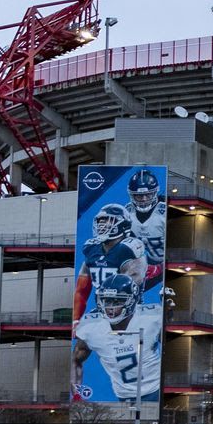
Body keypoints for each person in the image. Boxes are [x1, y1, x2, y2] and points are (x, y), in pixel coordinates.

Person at [71, 274, 162, 406]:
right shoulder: (91, 327)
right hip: (123, 396)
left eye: (117, 301)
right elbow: (75, 360)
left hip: (156, 389)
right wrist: (76, 393)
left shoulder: (152, 318)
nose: (110, 308)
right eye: (107, 301)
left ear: (132, 301)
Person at [73, 207, 151, 322]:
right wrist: (76, 320)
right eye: (100, 221)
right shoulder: (91, 249)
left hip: (129, 311)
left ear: (122, 223)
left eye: (108, 220)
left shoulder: (129, 249)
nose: (101, 224)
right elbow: (81, 290)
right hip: (104, 310)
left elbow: (129, 286)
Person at [123, 170, 167, 267]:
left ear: (155, 193)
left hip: (165, 268)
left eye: (148, 194)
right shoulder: (127, 213)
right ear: (132, 195)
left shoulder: (165, 212)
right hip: (140, 268)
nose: (144, 199)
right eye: (139, 196)